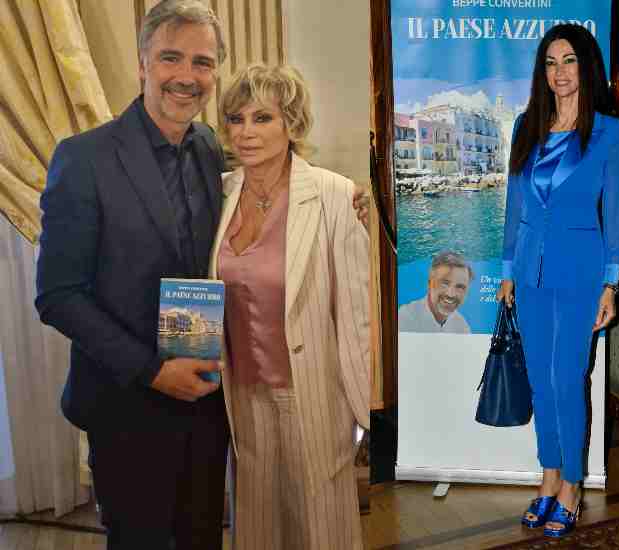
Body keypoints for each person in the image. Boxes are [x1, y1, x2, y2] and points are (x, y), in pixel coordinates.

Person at [34, 2, 368, 548]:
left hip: (211, 406)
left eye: (203, 62)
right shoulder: (83, 158)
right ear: (143, 62)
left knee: (204, 538)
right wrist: (152, 370)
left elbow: (271, 197)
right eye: (171, 57)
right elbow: (58, 295)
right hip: (128, 406)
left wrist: (344, 197)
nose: (187, 76)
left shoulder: (209, 149)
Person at [210, 63, 369, 549]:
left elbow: (357, 314)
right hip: (243, 392)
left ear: (291, 123)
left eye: (262, 118)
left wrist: (363, 410)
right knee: (258, 525)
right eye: (236, 119)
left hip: (313, 392)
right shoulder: (219, 194)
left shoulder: (334, 196)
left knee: (321, 527)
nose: (246, 132)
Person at [496, 24, 619, 538]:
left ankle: (572, 482)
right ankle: (548, 475)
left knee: (567, 379)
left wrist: (610, 284)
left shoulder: (609, 133)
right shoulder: (526, 125)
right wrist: (508, 271)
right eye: (550, 63)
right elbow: (515, 205)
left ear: (586, 66)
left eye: (569, 60)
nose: (560, 72)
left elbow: (615, 215)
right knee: (540, 379)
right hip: (529, 271)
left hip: (581, 272)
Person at [398, 250, 473, 334]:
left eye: (460, 287)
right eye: (444, 283)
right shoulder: (405, 318)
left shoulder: (462, 327)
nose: (451, 294)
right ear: (429, 284)